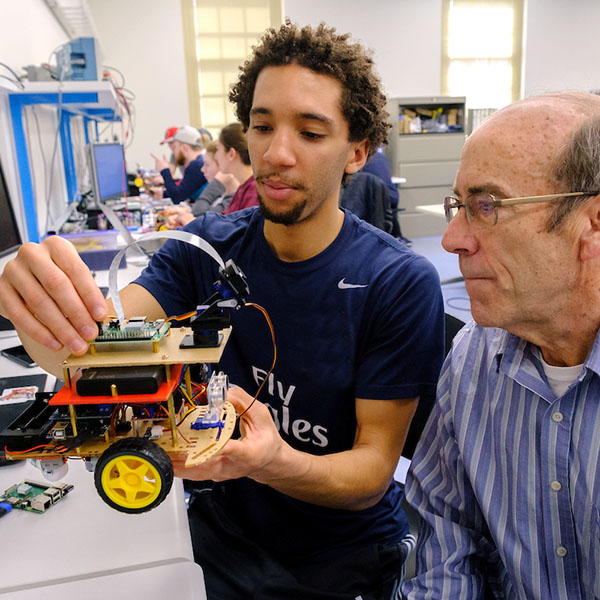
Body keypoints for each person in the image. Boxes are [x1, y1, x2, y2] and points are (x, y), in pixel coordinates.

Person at [0, 21, 444, 600]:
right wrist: (37, 308)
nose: (276, 153)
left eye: (310, 133)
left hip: (340, 553)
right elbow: (84, 355)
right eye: (262, 126)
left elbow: (370, 474)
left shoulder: (396, 282)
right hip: (223, 528)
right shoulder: (207, 249)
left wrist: (272, 461)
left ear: (357, 151)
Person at [401, 91, 600, 600]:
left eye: (486, 206)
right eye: (459, 205)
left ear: (592, 223)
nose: (451, 240)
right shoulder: (471, 357)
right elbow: (443, 538)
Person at [162, 140, 240, 229]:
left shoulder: (233, 198)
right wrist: (187, 210)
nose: (202, 170)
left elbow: (199, 216)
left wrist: (216, 182)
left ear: (222, 166)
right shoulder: (222, 195)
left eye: (207, 165)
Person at [150, 125, 208, 204]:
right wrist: (163, 194)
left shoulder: (197, 165)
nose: (174, 152)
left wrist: (164, 170)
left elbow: (177, 197)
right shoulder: (199, 161)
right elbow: (185, 188)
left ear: (184, 147)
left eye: (175, 147)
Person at [215, 122, 258, 214]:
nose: (216, 156)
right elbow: (225, 220)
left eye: (218, 149)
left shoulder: (253, 190)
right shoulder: (243, 188)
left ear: (231, 154)